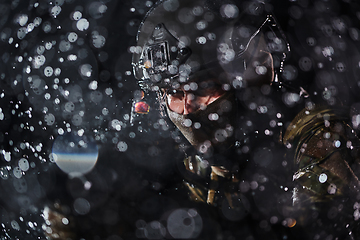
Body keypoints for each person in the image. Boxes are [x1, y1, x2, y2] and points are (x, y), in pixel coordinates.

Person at [132, 0, 360, 239]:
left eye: (203, 89)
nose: (187, 109)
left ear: (245, 82)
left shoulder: (316, 138)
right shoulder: (194, 165)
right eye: (174, 94)